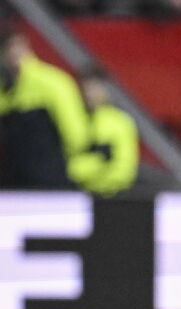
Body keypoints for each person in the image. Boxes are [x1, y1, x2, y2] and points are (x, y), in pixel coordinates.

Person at [0, 26, 89, 189]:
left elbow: (76, 135)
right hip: (13, 179)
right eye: (8, 49)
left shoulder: (53, 83)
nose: (13, 54)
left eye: (17, 48)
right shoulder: (5, 89)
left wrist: (70, 167)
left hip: (48, 177)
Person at [67, 68, 139, 197]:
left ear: (106, 89)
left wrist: (69, 171)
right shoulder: (79, 118)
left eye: (94, 88)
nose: (89, 94)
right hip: (90, 191)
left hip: (109, 193)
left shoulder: (115, 121)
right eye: (85, 89)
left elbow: (104, 159)